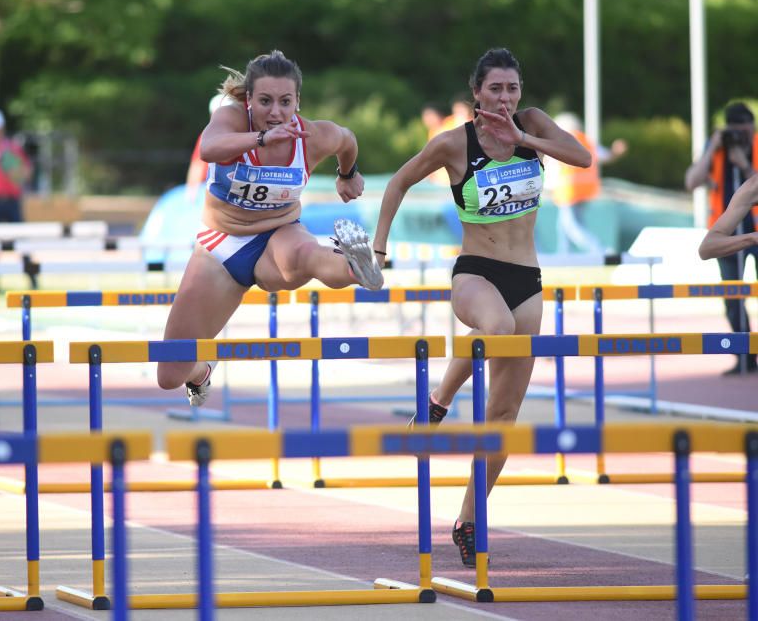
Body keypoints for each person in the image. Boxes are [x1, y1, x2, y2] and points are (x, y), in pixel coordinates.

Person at [373, 48, 591, 567]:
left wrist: (525, 140)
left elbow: (582, 159)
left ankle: (470, 518)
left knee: (504, 415)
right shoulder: (455, 144)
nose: (505, 97)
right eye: (495, 89)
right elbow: (399, 181)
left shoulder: (532, 124)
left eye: (512, 88)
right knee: (495, 325)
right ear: (477, 92)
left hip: (528, 279)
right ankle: (437, 402)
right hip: (476, 272)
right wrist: (379, 251)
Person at [156, 50, 383, 405]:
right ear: (248, 100)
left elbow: (348, 140)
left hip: (279, 233)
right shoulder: (231, 119)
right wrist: (261, 140)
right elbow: (210, 149)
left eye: (285, 102)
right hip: (220, 246)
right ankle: (201, 370)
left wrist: (347, 174)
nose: (275, 112)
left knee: (309, 256)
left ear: (297, 102)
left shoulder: (311, 136)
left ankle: (355, 266)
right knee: (169, 375)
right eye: (265, 101)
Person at [685, 101, 758, 374]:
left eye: (744, 131)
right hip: (730, 231)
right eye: (734, 131)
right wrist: (714, 147)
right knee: (732, 296)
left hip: (752, 222)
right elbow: (691, 182)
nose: (739, 136)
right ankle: (745, 356)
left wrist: (744, 163)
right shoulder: (716, 149)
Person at [544, 112, 627, 254]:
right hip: (586, 190)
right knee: (564, 225)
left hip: (569, 191)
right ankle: (564, 255)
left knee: (572, 226)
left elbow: (551, 165)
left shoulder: (562, 141)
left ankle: (600, 250)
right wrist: (616, 152)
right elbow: (606, 156)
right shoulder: (587, 142)